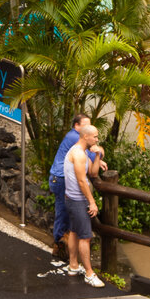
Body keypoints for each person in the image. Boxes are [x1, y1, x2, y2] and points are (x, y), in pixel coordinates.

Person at [48, 114, 106, 269]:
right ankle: (59, 247)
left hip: (63, 179)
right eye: (85, 125)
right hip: (61, 179)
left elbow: (91, 160)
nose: (95, 138)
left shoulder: (79, 143)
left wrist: (97, 157)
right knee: (63, 213)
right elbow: (89, 170)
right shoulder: (75, 138)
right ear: (78, 127)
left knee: (69, 221)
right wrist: (99, 153)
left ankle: (70, 258)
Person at [62, 122, 107, 287]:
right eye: (95, 136)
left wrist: (98, 156)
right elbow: (82, 181)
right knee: (85, 237)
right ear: (86, 136)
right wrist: (92, 202)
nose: (97, 139)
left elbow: (93, 173)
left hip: (72, 199)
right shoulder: (78, 154)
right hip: (77, 200)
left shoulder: (83, 152)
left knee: (74, 231)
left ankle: (73, 265)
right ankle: (89, 273)